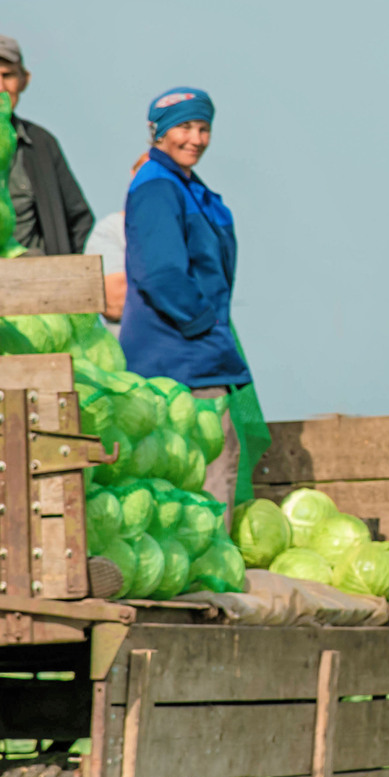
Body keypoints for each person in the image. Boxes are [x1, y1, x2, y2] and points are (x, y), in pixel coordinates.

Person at [122, 87, 245, 513]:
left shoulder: (185, 185)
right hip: (178, 355)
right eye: (184, 127)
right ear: (157, 132)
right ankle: (212, 570)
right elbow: (160, 272)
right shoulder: (158, 186)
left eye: (203, 128)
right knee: (211, 462)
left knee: (200, 464)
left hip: (192, 350)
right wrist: (202, 325)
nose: (195, 138)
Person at [0, 33, 94, 255]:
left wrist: (62, 269)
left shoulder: (40, 144)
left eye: (8, 75)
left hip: (32, 279)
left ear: (24, 80)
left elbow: (78, 218)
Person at [83, 153, 150, 337]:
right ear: (132, 174)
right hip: (132, 348)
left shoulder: (194, 226)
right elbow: (115, 301)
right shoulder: (110, 230)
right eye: (147, 174)